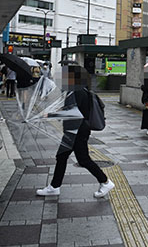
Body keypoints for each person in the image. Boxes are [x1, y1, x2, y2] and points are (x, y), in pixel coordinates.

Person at [37, 65, 114, 198]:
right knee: (66, 157)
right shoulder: (77, 90)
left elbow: (72, 113)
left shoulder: (77, 92)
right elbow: (71, 109)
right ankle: (55, 187)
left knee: (80, 159)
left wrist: (50, 115)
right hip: (76, 130)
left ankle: (105, 181)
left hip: (76, 131)